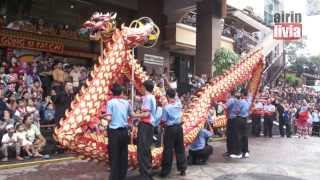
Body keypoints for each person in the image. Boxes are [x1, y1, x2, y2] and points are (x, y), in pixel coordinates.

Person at [105, 84, 133, 180]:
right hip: (124, 132)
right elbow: (132, 114)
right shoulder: (126, 103)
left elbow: (109, 118)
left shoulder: (110, 103)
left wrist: (103, 117)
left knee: (114, 155)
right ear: (121, 93)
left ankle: (114, 177)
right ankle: (122, 176)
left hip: (114, 132)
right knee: (123, 155)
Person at [159, 89, 187, 177]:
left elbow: (163, 120)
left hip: (170, 129)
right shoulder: (179, 103)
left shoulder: (166, 107)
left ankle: (165, 171)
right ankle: (182, 168)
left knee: (168, 150)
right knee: (180, 148)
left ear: (167, 96)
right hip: (179, 128)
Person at [137, 80, 157, 180]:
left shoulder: (148, 98)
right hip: (149, 126)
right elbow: (139, 98)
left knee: (142, 150)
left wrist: (134, 115)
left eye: (142, 86)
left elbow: (146, 114)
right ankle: (148, 172)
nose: (141, 88)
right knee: (146, 149)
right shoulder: (150, 97)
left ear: (145, 87)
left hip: (145, 125)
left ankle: (145, 175)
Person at [225, 90, 242, 158]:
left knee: (231, 136)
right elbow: (238, 110)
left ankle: (233, 151)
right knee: (234, 135)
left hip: (231, 119)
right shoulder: (238, 101)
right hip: (235, 118)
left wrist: (218, 103)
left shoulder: (231, 100)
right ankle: (232, 151)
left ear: (230, 93)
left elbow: (225, 107)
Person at [237, 90, 253, 158]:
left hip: (240, 118)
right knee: (245, 135)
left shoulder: (241, 102)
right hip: (245, 119)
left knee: (239, 136)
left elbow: (237, 110)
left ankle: (240, 152)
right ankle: (246, 151)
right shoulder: (248, 102)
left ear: (243, 94)